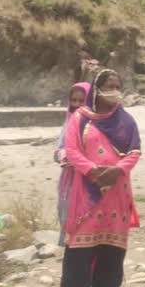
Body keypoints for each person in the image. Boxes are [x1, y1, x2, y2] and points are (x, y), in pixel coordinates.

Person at [59, 69, 142, 287]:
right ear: (96, 89)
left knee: (112, 247)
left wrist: (117, 170)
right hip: (87, 189)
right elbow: (72, 151)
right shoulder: (81, 119)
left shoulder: (126, 120)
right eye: (109, 86)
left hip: (117, 191)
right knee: (79, 249)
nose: (114, 91)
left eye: (118, 86)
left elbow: (135, 151)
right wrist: (93, 171)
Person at [55, 82, 91, 247]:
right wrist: (63, 156)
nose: (76, 105)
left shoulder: (96, 124)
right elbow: (58, 149)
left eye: (81, 101)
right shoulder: (68, 122)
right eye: (73, 100)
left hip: (90, 180)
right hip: (69, 181)